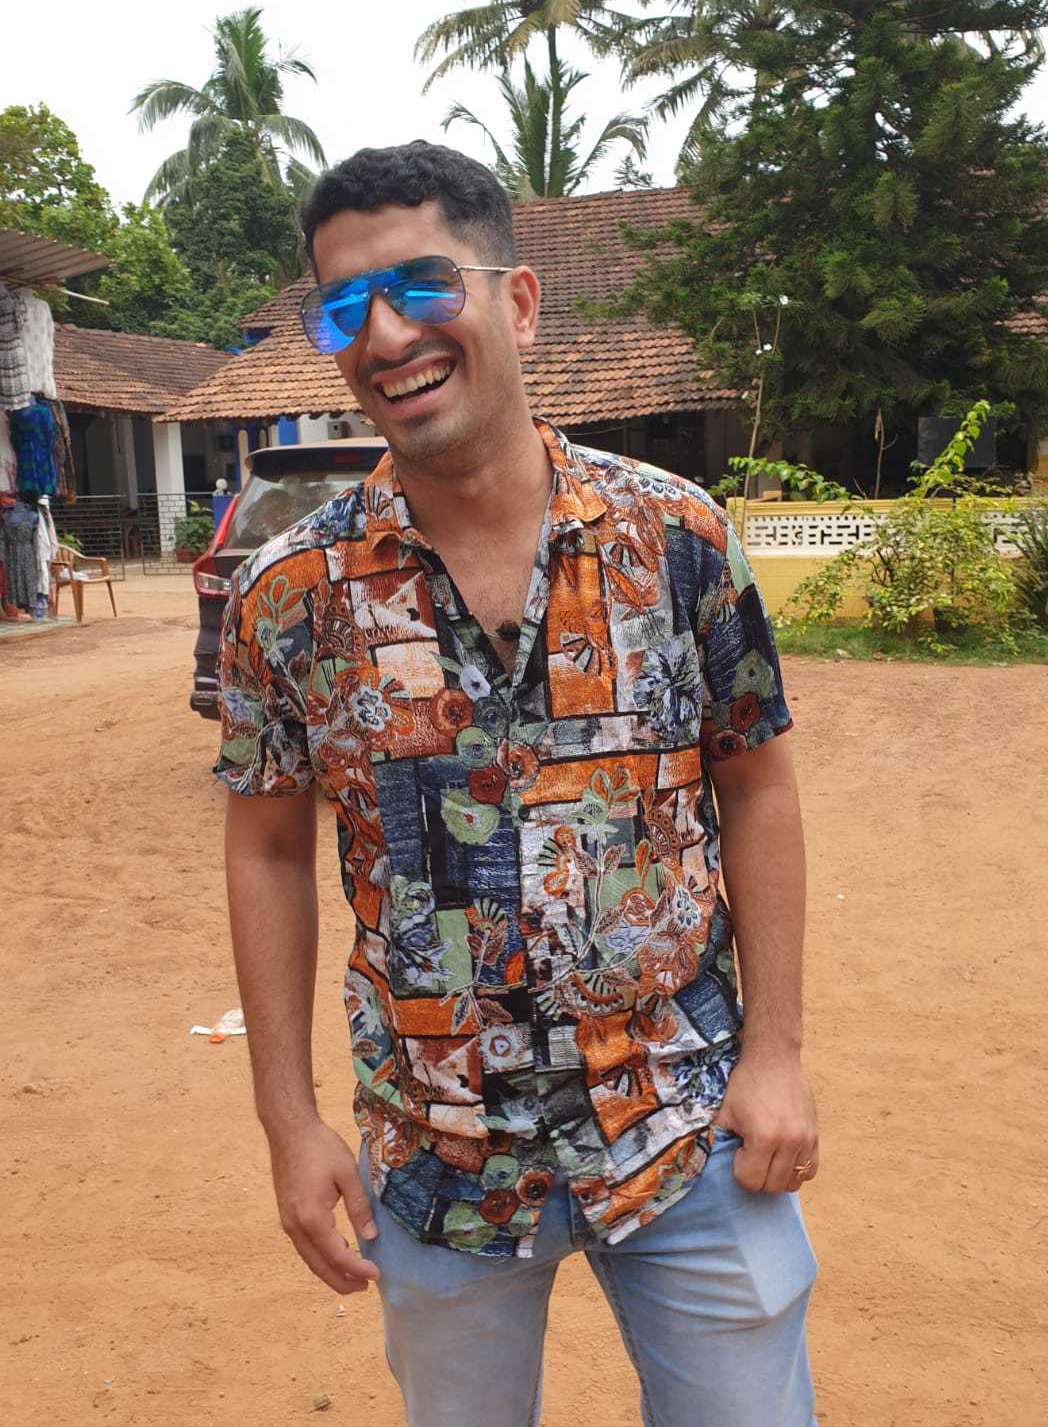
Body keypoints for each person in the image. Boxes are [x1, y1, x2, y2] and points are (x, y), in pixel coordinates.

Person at [217, 141, 820, 1426]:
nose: (386, 335)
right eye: (345, 306)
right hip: (440, 1152)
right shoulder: (287, 595)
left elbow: (758, 786)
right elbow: (264, 845)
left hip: (682, 1118)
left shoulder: (677, 537)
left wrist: (777, 1054)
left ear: (520, 302)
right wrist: (288, 1120)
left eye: (421, 285)